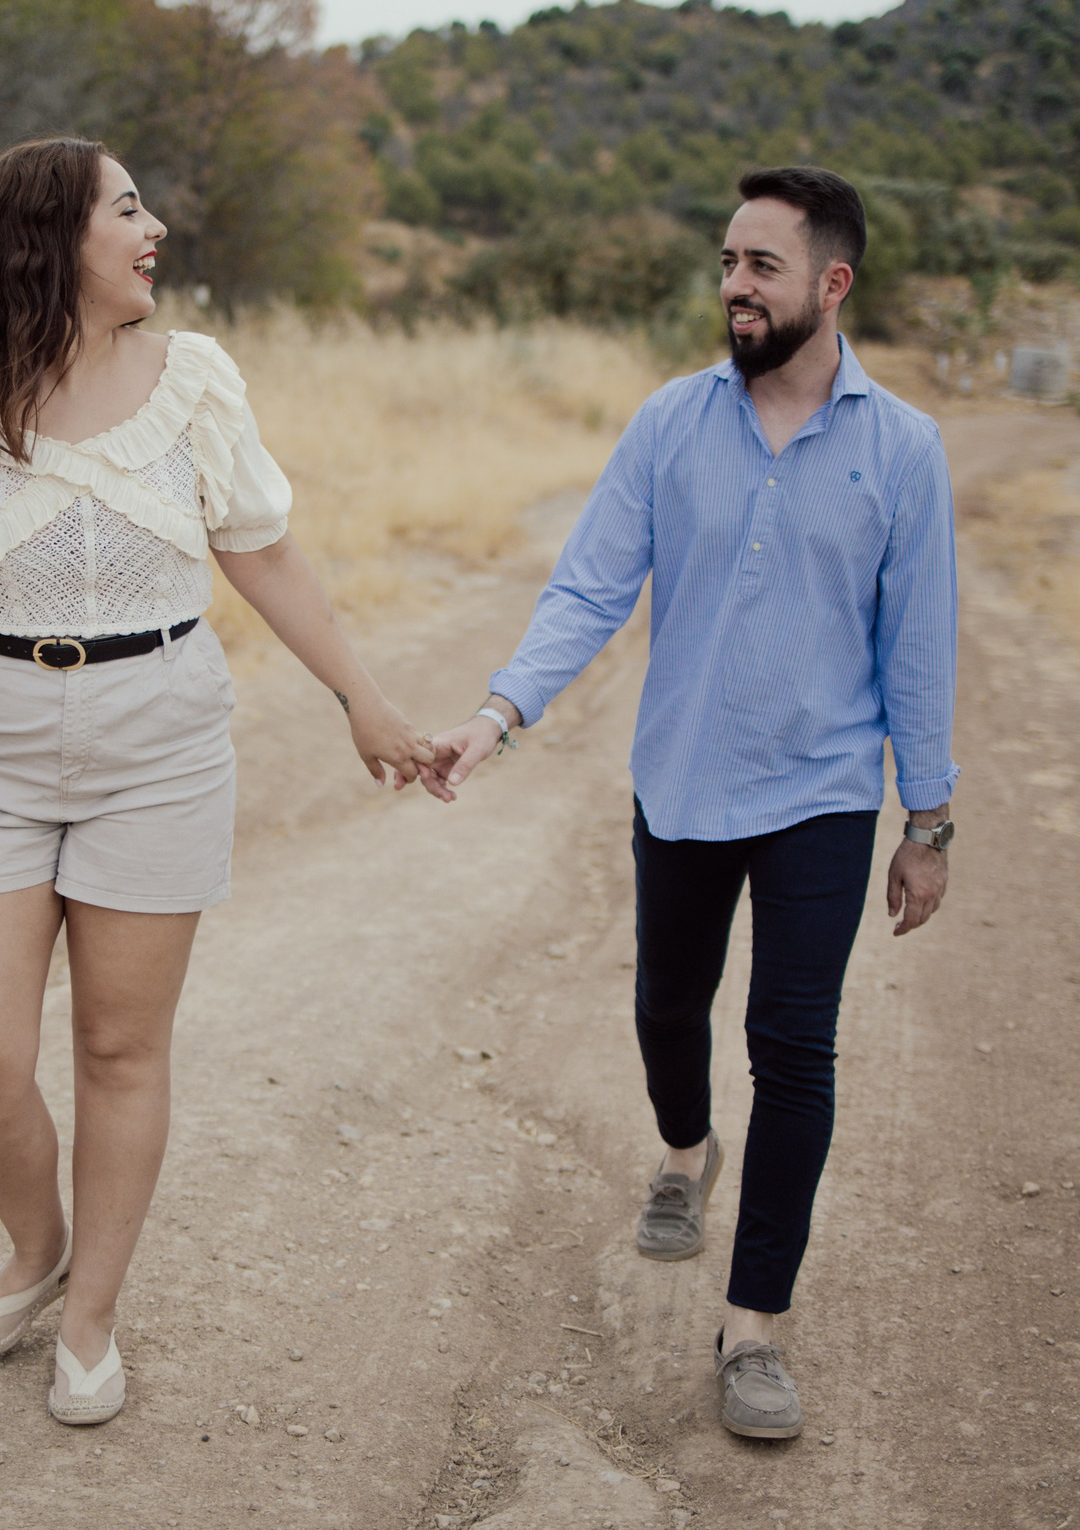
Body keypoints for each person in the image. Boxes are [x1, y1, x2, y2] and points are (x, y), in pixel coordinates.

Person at [0, 136, 435, 1428]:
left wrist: (363, 696)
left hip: (160, 735)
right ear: (54, 239)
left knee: (119, 1041)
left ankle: (92, 1311)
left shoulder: (197, 381)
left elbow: (263, 554)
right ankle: (37, 1242)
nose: (154, 226)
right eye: (127, 208)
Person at [421, 166, 958, 1440]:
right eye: (727, 261)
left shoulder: (904, 450)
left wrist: (925, 824)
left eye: (761, 266)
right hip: (680, 780)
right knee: (667, 1002)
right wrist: (497, 717)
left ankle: (752, 1324)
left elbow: (918, 647)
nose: (733, 285)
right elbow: (589, 590)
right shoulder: (671, 423)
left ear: (831, 284)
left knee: (795, 1049)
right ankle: (682, 1150)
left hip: (821, 794)